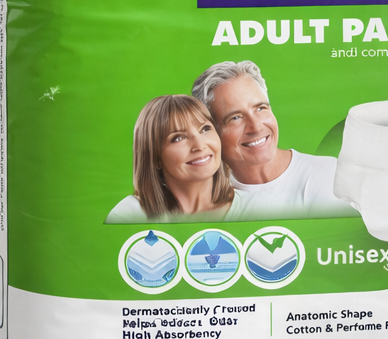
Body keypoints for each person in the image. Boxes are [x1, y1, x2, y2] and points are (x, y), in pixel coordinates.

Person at [191, 61, 356, 221]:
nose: (256, 127)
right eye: (235, 117)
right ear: (210, 132)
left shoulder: (327, 175)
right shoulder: (203, 199)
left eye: (261, 108)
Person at [105, 95, 243, 223]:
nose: (200, 146)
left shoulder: (252, 205)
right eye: (178, 138)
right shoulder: (128, 214)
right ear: (155, 158)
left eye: (205, 129)